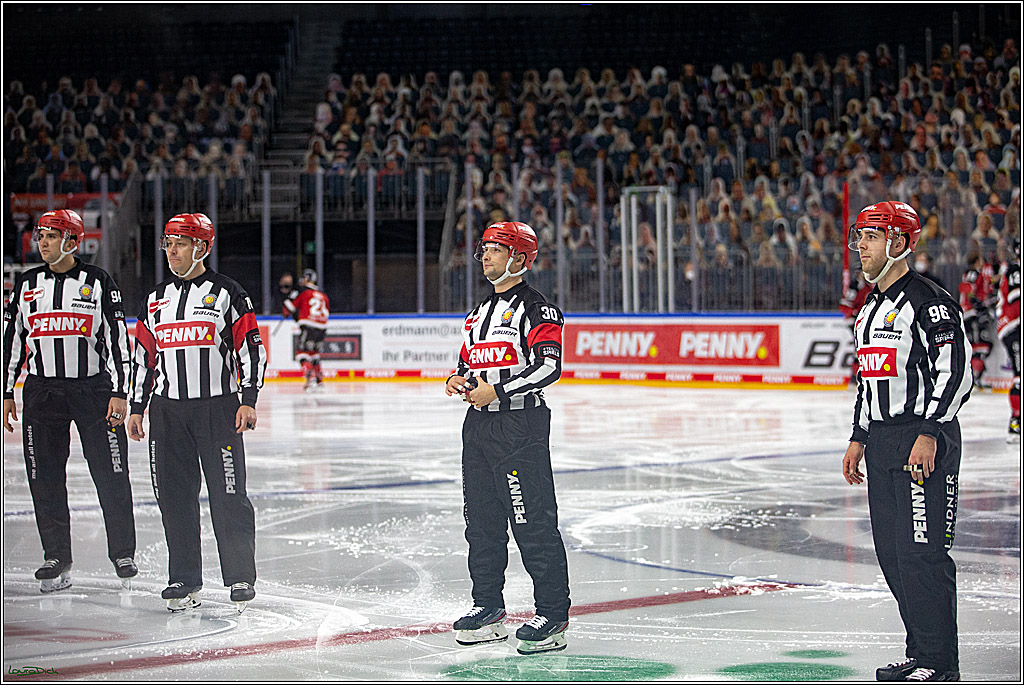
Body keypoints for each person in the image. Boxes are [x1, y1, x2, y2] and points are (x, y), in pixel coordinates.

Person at [842, 201, 972, 682]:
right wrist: (859, 436)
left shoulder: (929, 301)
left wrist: (930, 431)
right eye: (860, 237)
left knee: (923, 555)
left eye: (871, 237)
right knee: (894, 556)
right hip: (881, 444)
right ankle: (921, 654)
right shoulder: (870, 309)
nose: (861, 246)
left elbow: (955, 373)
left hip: (924, 443)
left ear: (898, 243)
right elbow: (866, 380)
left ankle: (941, 663)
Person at [126, 213, 266, 613]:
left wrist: (248, 399)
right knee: (173, 497)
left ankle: (240, 577)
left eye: (180, 243)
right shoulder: (154, 299)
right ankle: (184, 578)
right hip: (167, 413)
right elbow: (144, 359)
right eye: (168, 243)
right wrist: (138, 406)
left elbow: (250, 350)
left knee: (228, 496)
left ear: (202, 247)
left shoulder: (228, 294)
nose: (171, 251)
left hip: (217, 409)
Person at [444, 221, 571, 655]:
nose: (485, 256)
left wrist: (497, 390)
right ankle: (488, 608)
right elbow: (467, 362)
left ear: (519, 257)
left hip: (520, 428)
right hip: (478, 428)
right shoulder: (478, 313)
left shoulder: (538, 309)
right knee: (480, 524)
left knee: (531, 521)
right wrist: (457, 380)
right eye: (484, 249)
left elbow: (548, 367)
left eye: (495, 249)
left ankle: (552, 614)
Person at [2, 209, 138, 592]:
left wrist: (120, 391)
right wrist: (6, 390)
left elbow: (116, 340)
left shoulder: (98, 282)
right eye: (40, 235)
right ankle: (56, 555)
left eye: (51, 235)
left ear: (73, 241)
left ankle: (122, 552)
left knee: (111, 474)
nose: (42, 242)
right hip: (42, 391)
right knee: (44, 477)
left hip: (93, 390)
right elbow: (12, 342)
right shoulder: (27, 284)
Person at [282, 268, 330, 391]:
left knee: (302, 353)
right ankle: (319, 380)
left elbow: (290, 307)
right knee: (314, 353)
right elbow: (327, 313)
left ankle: (311, 379)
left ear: (307, 279)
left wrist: (288, 302)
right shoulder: (323, 296)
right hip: (322, 327)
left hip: (309, 325)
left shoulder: (304, 293)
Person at [958, 251, 996, 388]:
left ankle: (975, 376)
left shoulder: (975, 274)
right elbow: (969, 293)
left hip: (971, 313)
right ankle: (973, 378)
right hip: (970, 313)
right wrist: (980, 307)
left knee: (981, 344)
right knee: (977, 344)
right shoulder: (972, 273)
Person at [996, 240, 1020, 438]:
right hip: (1013, 326)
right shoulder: (1015, 270)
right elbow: (1015, 298)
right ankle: (1016, 420)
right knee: (1020, 375)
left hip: (1013, 325)